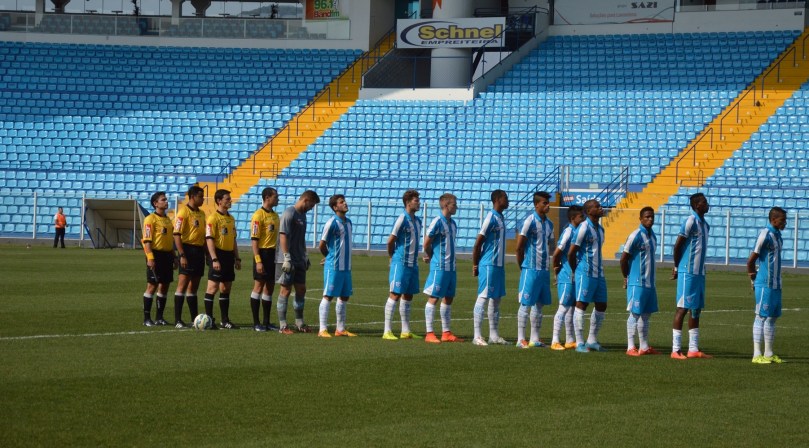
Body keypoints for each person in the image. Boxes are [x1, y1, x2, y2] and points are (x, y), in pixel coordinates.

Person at [670, 193, 711, 359]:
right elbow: (677, 246)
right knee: (682, 308)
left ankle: (693, 349)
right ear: (696, 205)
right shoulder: (690, 221)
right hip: (687, 271)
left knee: (696, 309)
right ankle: (675, 349)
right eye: (704, 202)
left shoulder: (705, 225)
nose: (707, 204)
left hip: (699, 273)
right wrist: (676, 267)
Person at [747, 206, 787, 364]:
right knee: (761, 316)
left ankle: (768, 354)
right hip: (765, 283)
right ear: (773, 220)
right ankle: (756, 354)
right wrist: (753, 280)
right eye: (782, 220)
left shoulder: (778, 236)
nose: (785, 223)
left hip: (776, 284)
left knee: (772, 317)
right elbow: (751, 261)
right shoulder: (765, 234)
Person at [514, 191, 554, 349]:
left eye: (548, 202)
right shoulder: (529, 221)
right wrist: (523, 267)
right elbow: (519, 247)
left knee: (539, 304)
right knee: (525, 303)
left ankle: (534, 338)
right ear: (536, 204)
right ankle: (520, 339)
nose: (547, 205)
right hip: (530, 268)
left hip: (544, 270)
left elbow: (550, 246)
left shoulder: (549, 224)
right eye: (544, 203)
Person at [277, 190, 321, 334]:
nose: (312, 208)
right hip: (287, 259)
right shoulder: (289, 213)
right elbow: (283, 236)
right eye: (312, 205)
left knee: (301, 289)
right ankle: (283, 325)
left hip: (299, 258)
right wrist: (286, 257)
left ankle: (299, 323)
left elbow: (300, 238)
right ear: (306, 200)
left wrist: (305, 255)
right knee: (285, 290)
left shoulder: (303, 216)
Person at [567, 199, 608, 353]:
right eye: (597, 206)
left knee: (602, 305)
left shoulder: (601, 229)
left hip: (599, 273)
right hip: (585, 272)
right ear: (589, 211)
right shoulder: (583, 228)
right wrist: (576, 269)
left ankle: (591, 340)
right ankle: (579, 343)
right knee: (581, 304)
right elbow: (572, 252)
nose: (601, 208)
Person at [422, 193, 463, 344]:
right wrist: (431, 255)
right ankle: (429, 333)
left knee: (448, 298)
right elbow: (426, 242)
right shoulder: (437, 222)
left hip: (451, 267)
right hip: (439, 266)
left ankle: (446, 332)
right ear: (446, 205)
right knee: (434, 297)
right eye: (454, 204)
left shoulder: (452, 224)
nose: (456, 207)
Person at [620, 207, 661, 356]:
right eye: (647, 217)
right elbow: (623, 259)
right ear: (640, 218)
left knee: (646, 314)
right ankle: (630, 347)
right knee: (635, 314)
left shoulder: (653, 236)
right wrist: (627, 277)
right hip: (637, 282)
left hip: (650, 283)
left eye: (652, 217)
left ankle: (644, 346)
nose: (650, 219)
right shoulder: (635, 236)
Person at [471, 190, 510, 346]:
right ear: (497, 200)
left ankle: (494, 335)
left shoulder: (500, 218)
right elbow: (478, 242)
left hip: (498, 265)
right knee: (483, 296)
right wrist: (475, 264)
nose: (508, 200)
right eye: (505, 198)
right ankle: (477, 336)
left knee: (496, 299)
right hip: (488, 264)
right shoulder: (490, 218)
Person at [383, 189, 422, 340]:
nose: (418, 202)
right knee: (395, 293)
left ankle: (405, 330)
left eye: (418, 199)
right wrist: (392, 256)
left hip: (413, 263)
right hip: (401, 262)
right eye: (415, 200)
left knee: (408, 295)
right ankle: (387, 330)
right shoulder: (402, 218)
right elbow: (390, 240)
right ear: (408, 202)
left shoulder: (417, 221)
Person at [317, 194, 356, 338]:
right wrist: (328, 257)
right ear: (335, 207)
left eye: (344, 201)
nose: (345, 203)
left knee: (344, 296)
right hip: (333, 266)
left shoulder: (349, 222)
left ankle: (340, 329)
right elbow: (322, 244)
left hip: (346, 267)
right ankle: (322, 329)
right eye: (341, 202)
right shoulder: (332, 222)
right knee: (328, 296)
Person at [204, 189, 241, 330]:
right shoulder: (213, 218)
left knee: (226, 288)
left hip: (228, 256)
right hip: (217, 255)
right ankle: (209, 319)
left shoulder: (231, 218)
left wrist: (237, 258)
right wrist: (214, 259)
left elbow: (234, 240)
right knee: (212, 288)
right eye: (227, 199)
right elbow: (209, 240)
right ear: (219, 201)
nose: (230, 201)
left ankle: (225, 320)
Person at [550, 205, 584, 350]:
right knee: (563, 307)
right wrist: (556, 269)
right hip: (566, 275)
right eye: (581, 217)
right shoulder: (569, 231)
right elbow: (557, 253)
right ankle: (555, 340)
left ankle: (570, 339)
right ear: (572, 218)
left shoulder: (579, 231)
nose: (583, 219)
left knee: (570, 307)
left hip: (575, 275)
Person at [172, 185, 206, 328]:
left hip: (199, 251)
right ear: (192, 197)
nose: (203, 199)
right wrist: (182, 255)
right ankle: (178, 320)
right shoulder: (183, 213)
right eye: (200, 196)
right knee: (182, 285)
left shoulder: (202, 213)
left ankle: (194, 319)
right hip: (187, 250)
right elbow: (176, 234)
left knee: (194, 286)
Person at [141, 191, 176, 326]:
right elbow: (147, 241)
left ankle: (159, 317)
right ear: (155, 203)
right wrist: (150, 258)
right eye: (163, 200)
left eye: (166, 199)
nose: (166, 202)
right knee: (152, 285)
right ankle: (147, 318)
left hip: (167, 255)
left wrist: (174, 257)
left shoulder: (167, 220)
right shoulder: (150, 219)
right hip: (155, 255)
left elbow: (169, 241)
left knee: (165, 285)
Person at [249, 187, 280, 332]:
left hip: (273, 255)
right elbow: (254, 240)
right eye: (275, 196)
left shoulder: (275, 216)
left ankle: (267, 322)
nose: (278, 199)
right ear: (267, 197)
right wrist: (258, 260)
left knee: (270, 287)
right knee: (258, 287)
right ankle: (256, 323)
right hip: (262, 253)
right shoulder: (258, 215)